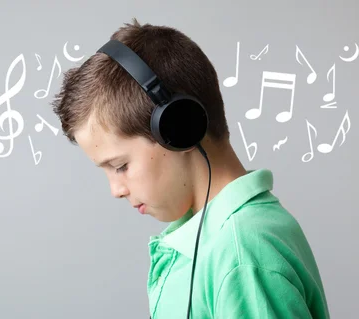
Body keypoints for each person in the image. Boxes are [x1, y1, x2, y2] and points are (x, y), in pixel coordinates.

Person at [50, 18, 330, 318]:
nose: (116, 190)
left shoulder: (241, 253)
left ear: (179, 128)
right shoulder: (212, 240)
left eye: (120, 166)